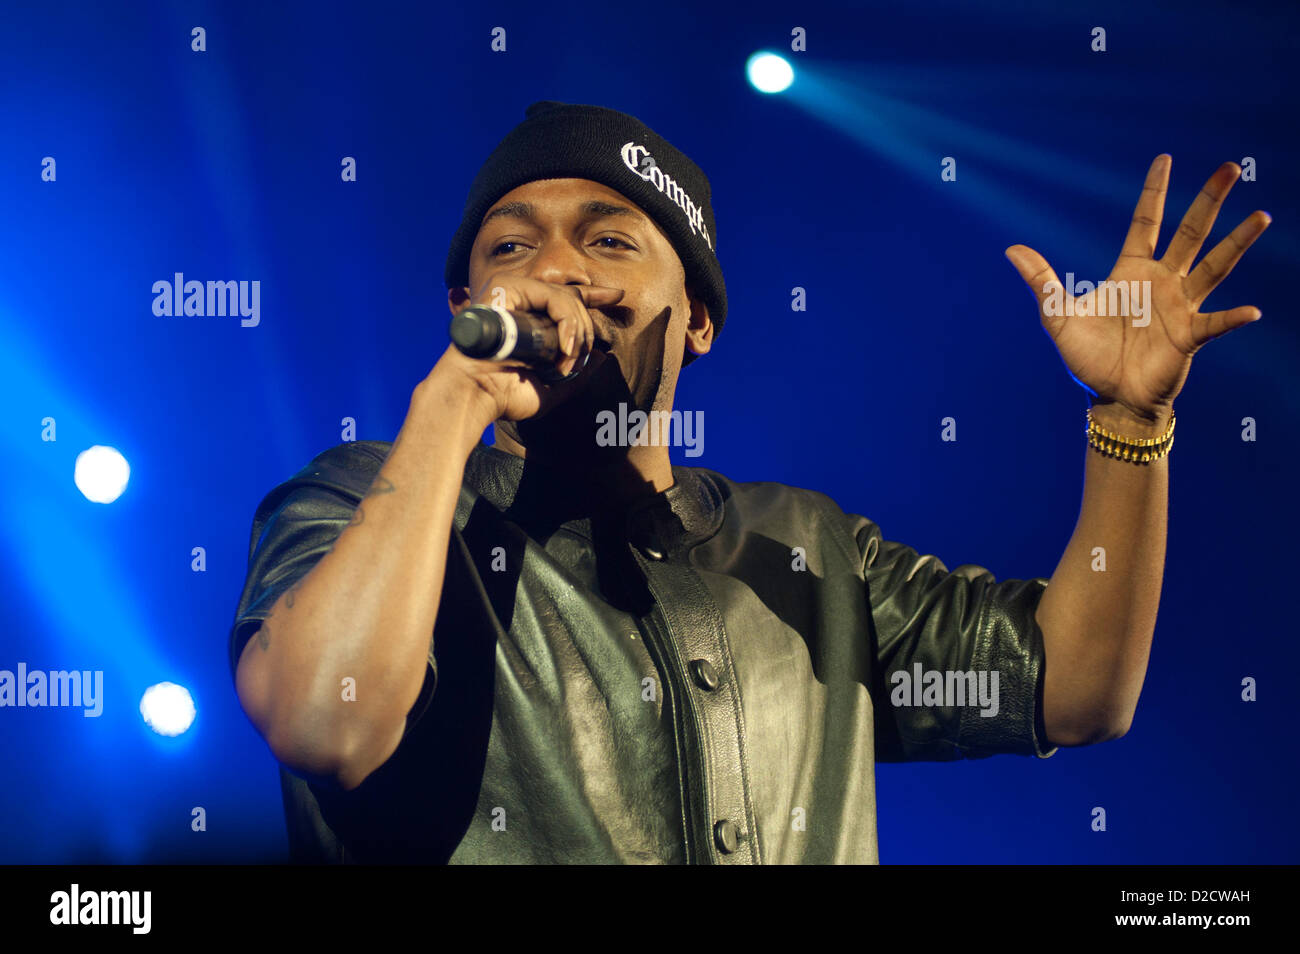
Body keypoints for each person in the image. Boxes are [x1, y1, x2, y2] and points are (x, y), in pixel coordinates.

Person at [227, 100, 1270, 864]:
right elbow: (323, 720)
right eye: (511, 246)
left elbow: (1078, 689)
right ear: (467, 300)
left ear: (697, 318)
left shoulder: (802, 546)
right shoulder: (369, 503)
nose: (555, 268)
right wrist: (455, 404)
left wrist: (1131, 419)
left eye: (608, 239)